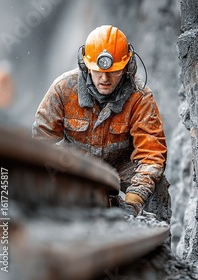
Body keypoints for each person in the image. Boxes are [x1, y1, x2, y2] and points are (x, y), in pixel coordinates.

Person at [32, 25, 169, 220]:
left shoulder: (140, 98)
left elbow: (152, 155)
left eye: (113, 71)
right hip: (75, 162)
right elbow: (41, 144)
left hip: (122, 164)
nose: (105, 78)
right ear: (85, 65)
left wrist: (134, 199)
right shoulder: (63, 90)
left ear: (127, 67)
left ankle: (159, 247)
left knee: (157, 186)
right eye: (97, 71)